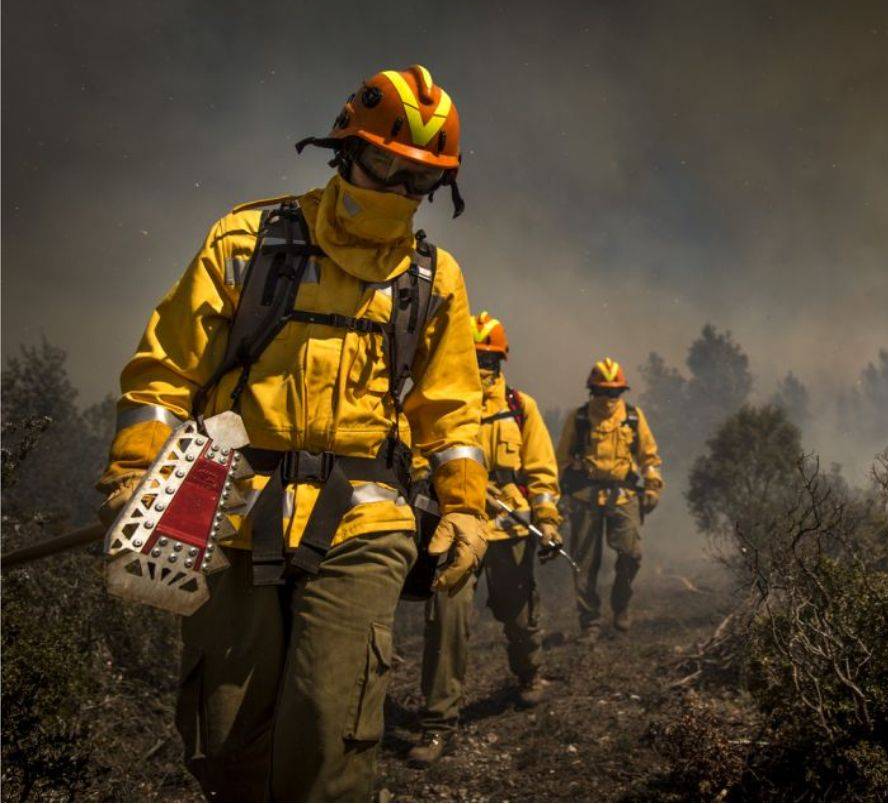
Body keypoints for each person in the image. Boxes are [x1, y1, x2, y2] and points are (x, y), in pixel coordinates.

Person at [94, 64, 489, 801]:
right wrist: (133, 473)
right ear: (345, 148)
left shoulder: (434, 279)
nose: (398, 193)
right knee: (229, 739)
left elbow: (453, 410)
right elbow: (162, 375)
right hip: (224, 503)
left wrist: (465, 503)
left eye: (419, 183)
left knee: (332, 732)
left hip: (365, 518)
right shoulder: (247, 243)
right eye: (385, 167)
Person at [410, 311, 564, 765]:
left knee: (518, 616)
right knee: (447, 621)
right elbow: (418, 458)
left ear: (503, 361)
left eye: (489, 358)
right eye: (474, 356)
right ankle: (438, 724)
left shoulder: (521, 408)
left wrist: (548, 520)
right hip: (458, 528)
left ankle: (529, 674)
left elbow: (541, 472)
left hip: (511, 530)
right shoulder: (441, 404)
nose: (481, 366)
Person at [556, 358, 663, 640]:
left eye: (614, 392)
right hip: (585, 498)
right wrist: (559, 497)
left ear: (622, 392)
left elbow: (649, 457)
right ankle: (590, 623)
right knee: (583, 564)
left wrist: (652, 486)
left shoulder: (632, 417)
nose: (608, 398)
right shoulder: (578, 419)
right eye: (602, 391)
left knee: (632, 554)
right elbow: (561, 461)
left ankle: (621, 604)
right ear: (592, 391)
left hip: (623, 496)